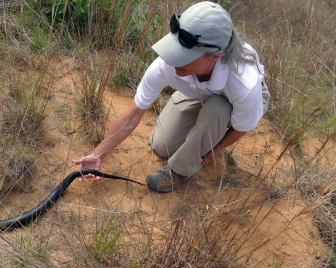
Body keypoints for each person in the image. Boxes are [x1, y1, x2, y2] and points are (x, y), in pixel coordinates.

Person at [72, 1, 270, 193]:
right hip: (202, 92)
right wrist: (98, 154)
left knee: (218, 108)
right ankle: (199, 133)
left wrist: (215, 150)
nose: (172, 60)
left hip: (230, 103)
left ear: (215, 56)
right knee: (162, 146)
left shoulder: (245, 83)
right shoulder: (166, 66)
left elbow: (242, 127)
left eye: (184, 56)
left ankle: (178, 171)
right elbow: (131, 116)